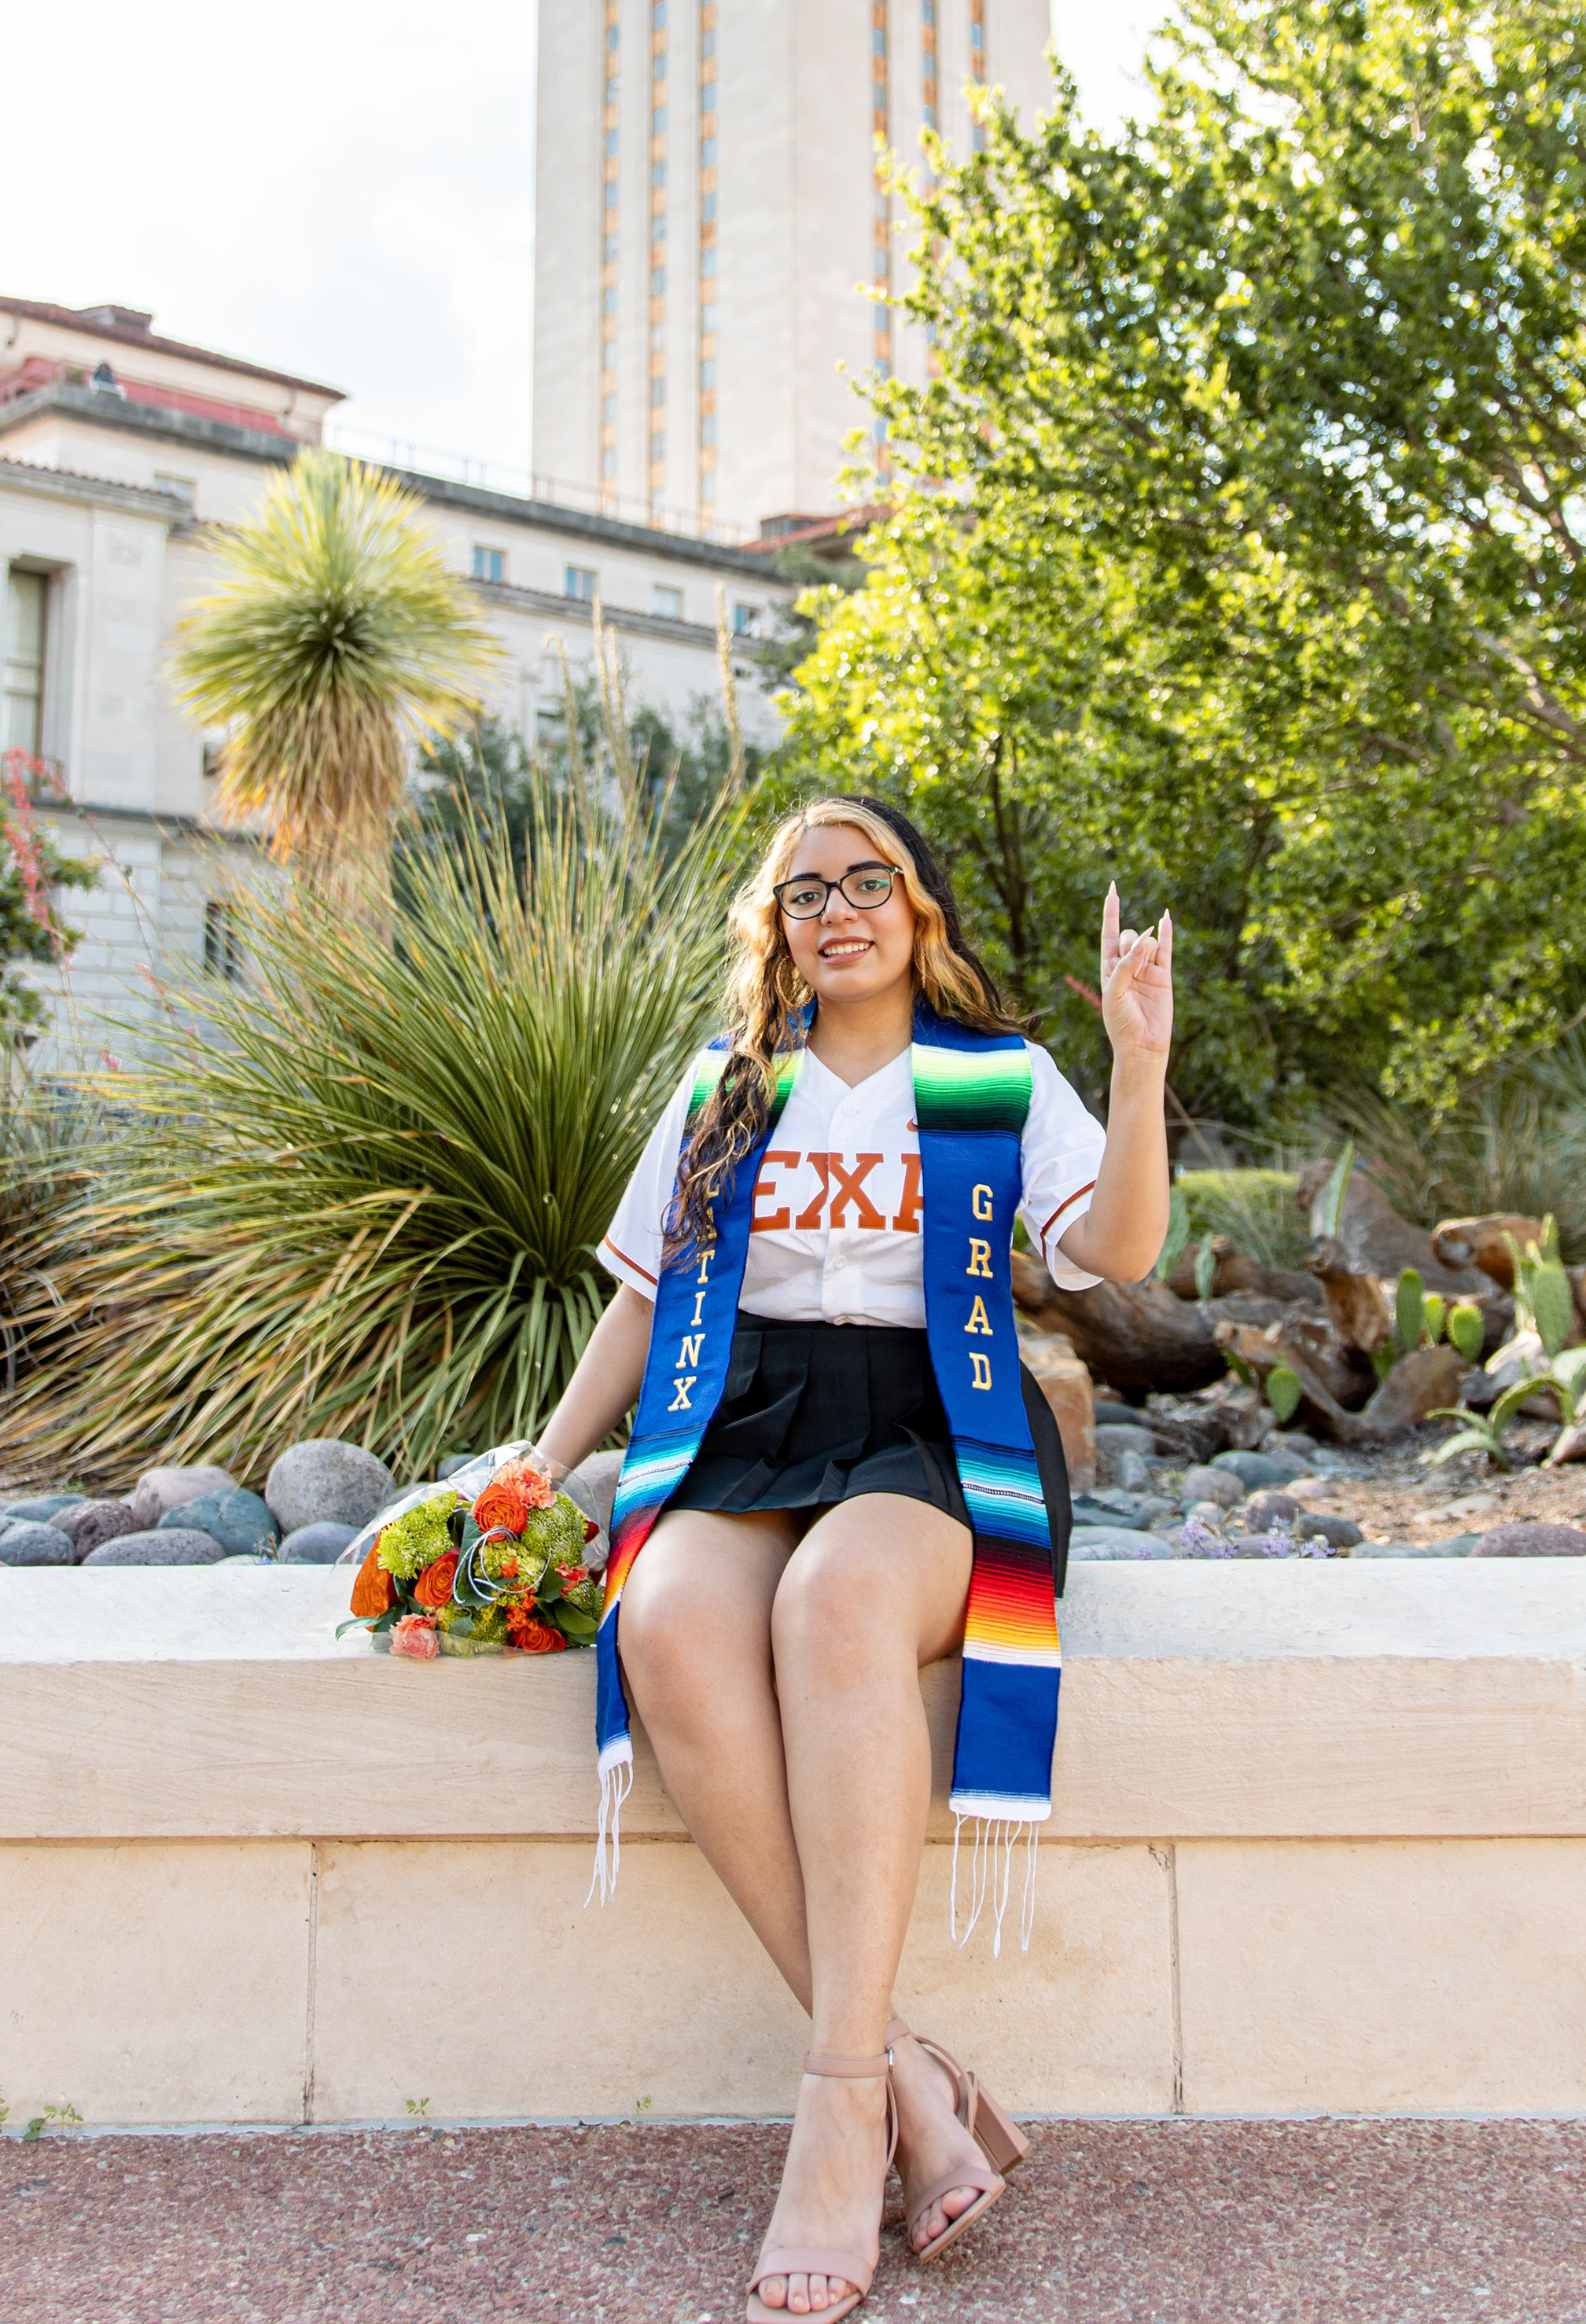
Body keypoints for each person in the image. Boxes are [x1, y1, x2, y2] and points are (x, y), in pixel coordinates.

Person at [515, 796, 1173, 2319]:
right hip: (747, 1415)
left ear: (919, 911)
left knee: (833, 1604)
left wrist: (1137, 1062)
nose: (837, 907)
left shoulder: (992, 1076)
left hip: (935, 1427)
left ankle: (831, 2111)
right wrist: (540, 1467)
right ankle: (906, 2076)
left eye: (868, 880)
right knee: (670, 1623)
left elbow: (1118, 1251)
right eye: (803, 889)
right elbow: (639, 1294)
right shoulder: (727, 1089)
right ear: (777, 925)